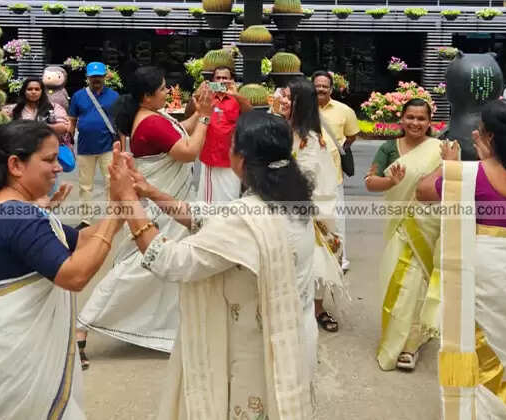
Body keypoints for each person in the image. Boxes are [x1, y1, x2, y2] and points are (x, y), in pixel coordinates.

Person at [109, 112, 314, 420]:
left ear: (241, 160)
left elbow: (169, 261)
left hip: (253, 353)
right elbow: (207, 215)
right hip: (290, 340)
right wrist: (148, 191)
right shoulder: (292, 199)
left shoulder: (246, 219)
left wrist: (127, 199)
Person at [0, 120, 124, 419]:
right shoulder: (16, 216)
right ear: (16, 164)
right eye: (50, 159)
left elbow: (81, 241)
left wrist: (118, 208)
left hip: (1, 355)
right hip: (12, 364)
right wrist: (119, 208)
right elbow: (74, 274)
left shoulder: (12, 208)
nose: (58, 168)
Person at [417, 99, 506, 419]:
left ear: (487, 137)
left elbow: (423, 192)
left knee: (474, 344)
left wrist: (448, 165)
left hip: (487, 270)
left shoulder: (469, 174)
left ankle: (473, 411)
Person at [76, 66, 214, 361]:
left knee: (164, 270)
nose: (167, 92)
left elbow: (183, 129)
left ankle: (167, 329)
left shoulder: (155, 116)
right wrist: (204, 116)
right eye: (163, 89)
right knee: (140, 267)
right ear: (146, 96)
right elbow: (188, 151)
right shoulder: (150, 122)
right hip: (161, 209)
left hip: (168, 205)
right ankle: (82, 326)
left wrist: (198, 112)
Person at [364, 98, 442, 371]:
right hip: (399, 226)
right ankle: (396, 338)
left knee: (419, 285)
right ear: (402, 119)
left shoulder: (440, 149)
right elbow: (370, 182)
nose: (416, 123)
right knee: (399, 283)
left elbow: (452, 186)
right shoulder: (388, 148)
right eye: (410, 117)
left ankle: (411, 346)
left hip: (429, 227)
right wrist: (391, 181)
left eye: (421, 119)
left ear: (429, 122)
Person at [278, 77, 344, 333]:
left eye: (287, 97)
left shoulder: (312, 139)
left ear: (300, 103)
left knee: (315, 259)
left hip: (309, 209)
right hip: (280, 205)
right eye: (281, 95)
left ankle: (316, 309)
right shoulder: (279, 128)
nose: (281, 101)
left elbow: (306, 177)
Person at [313, 70, 359, 273]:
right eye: (317, 85)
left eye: (324, 86)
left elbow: (351, 137)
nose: (320, 89)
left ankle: (341, 257)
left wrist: (336, 147)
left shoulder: (344, 110)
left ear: (331, 89)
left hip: (334, 175)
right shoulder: (301, 109)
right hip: (308, 175)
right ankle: (314, 258)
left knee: (337, 219)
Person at [185, 65, 252, 203]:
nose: (221, 81)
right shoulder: (207, 97)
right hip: (211, 158)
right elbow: (189, 113)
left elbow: (250, 114)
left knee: (231, 199)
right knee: (210, 203)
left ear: (231, 80)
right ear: (213, 80)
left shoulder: (237, 99)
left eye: (225, 78)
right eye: (218, 78)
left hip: (231, 159)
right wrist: (197, 95)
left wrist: (236, 94)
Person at [69, 62, 120, 229]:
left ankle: (110, 216)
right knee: (85, 185)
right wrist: (69, 141)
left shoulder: (113, 96)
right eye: (93, 76)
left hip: (108, 146)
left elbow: (119, 122)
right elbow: (72, 120)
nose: (96, 79)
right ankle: (86, 219)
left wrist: (122, 147)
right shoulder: (78, 96)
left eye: (99, 76)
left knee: (110, 182)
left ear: (105, 76)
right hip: (85, 147)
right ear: (88, 78)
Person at [4, 78, 72, 194]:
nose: (33, 92)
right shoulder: (14, 110)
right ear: (24, 91)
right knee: (25, 192)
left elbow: (63, 128)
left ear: (42, 91)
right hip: (23, 157)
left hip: (47, 157)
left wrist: (31, 127)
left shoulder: (54, 108)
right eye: (29, 89)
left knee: (48, 193)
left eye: (37, 89)